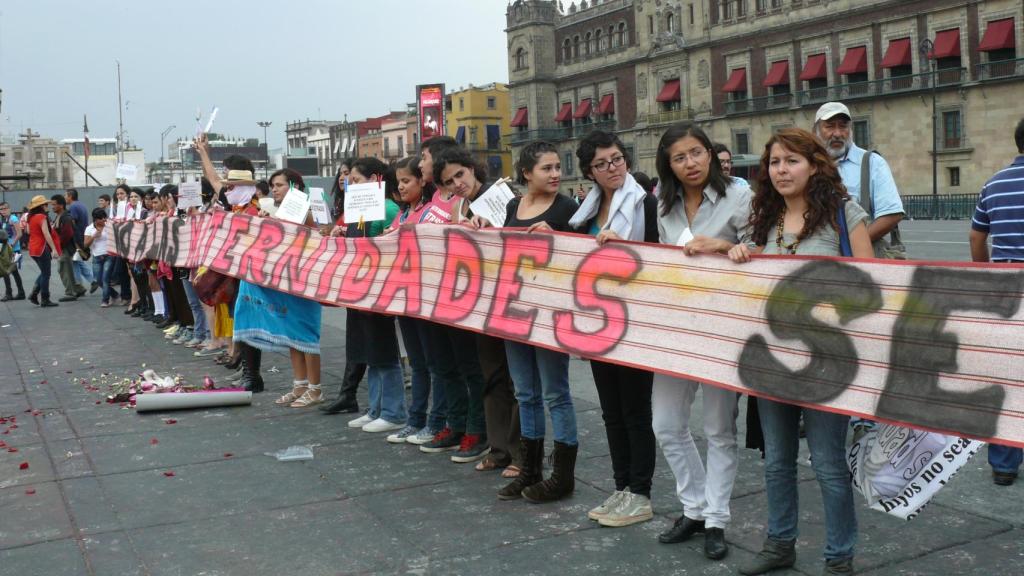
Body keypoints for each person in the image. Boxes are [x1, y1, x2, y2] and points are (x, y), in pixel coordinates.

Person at [729, 128, 871, 576]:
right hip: (773, 360)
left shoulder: (844, 215)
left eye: (791, 161)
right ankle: (780, 543)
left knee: (829, 464)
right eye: (774, 163)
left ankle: (839, 556)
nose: (781, 170)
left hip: (829, 362)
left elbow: (872, 288)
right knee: (776, 461)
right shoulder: (765, 221)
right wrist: (736, 254)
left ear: (814, 165)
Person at [650, 122, 753, 560]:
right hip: (676, 326)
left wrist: (732, 249)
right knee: (667, 424)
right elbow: (658, 256)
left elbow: (760, 250)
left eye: (696, 153)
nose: (690, 163)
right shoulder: (663, 204)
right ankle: (693, 507)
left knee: (718, 429)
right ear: (668, 164)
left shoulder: (740, 195)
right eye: (679, 157)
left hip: (723, 327)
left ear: (710, 154)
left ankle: (716, 518)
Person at [566, 130, 660, 528]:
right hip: (597, 322)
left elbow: (658, 255)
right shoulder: (584, 212)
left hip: (634, 321)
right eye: (602, 164)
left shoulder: (645, 204)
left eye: (617, 159)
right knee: (611, 412)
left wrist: (625, 247)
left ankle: (640, 493)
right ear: (590, 172)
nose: (612, 169)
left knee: (636, 410)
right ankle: (621, 487)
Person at [489, 141, 580, 503]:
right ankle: (529, 468)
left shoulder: (567, 207)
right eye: (547, 168)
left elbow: (580, 256)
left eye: (558, 167)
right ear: (526, 173)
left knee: (556, 393)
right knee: (525, 392)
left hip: (551, 313)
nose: (556, 174)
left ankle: (563, 475)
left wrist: (558, 238)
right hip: (515, 310)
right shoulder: (514, 204)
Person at [431, 147, 524, 467]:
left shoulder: (503, 195)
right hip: (480, 302)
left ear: (473, 169)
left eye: (460, 174)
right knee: (492, 376)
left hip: (510, 299)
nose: (456, 183)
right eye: (448, 181)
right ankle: (498, 449)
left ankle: (519, 454)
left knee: (516, 381)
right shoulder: (460, 208)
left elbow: (518, 240)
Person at [330, 158, 407, 432]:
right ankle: (375, 409)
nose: (351, 185)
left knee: (384, 353)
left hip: (378, 289)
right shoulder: (356, 209)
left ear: (375, 179)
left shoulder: (387, 208)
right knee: (367, 352)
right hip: (358, 288)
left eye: (357, 180)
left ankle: (394, 411)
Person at [235, 169, 323, 401]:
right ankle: (299, 385)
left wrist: (272, 222)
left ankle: (315, 389)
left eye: (280, 185)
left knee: (306, 335)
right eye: (273, 185)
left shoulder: (303, 209)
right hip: (287, 279)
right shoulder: (277, 210)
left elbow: (301, 236)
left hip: (303, 277)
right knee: (292, 334)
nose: (274, 189)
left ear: (294, 187)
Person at [969, 117, 1024, 487]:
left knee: (1006, 377)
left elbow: (977, 237)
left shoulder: (995, 182)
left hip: (1005, 288)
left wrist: (985, 273)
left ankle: (1004, 463)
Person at [379, 155, 449, 444]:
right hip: (405, 296)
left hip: (427, 297)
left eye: (407, 180)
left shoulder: (431, 212)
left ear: (423, 181)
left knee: (435, 364)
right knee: (417, 363)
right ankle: (416, 419)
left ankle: (437, 421)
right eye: (399, 182)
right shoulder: (403, 213)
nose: (402, 187)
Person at [814, 102, 904, 255]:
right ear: (815, 131)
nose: (837, 133)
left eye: (843, 127)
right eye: (829, 126)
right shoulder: (805, 165)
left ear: (850, 130)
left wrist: (848, 247)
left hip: (860, 259)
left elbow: (892, 214)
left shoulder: (872, 162)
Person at [321, 158, 367, 415]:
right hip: (352, 282)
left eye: (350, 174)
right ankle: (348, 393)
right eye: (341, 174)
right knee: (355, 341)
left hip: (365, 283)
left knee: (373, 347)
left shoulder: (376, 208)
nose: (344, 178)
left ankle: (350, 394)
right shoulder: (343, 208)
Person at [25, 195, 60, 308]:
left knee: (44, 272)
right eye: (46, 204)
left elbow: (28, 231)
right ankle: (45, 299)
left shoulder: (30, 217)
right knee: (46, 273)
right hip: (41, 247)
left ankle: (34, 294)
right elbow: (46, 234)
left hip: (33, 248)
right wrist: (54, 248)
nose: (47, 206)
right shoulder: (41, 217)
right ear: (41, 206)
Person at [49, 195, 86, 302]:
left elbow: (67, 233)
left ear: (61, 205)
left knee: (64, 270)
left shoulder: (66, 217)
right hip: (63, 247)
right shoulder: (60, 216)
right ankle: (78, 288)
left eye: (54, 204)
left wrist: (59, 246)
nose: (52, 207)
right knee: (65, 270)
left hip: (65, 248)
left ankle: (71, 293)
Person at [84, 209, 116, 307]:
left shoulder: (109, 226)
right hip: (97, 256)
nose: (103, 220)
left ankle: (105, 300)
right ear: (95, 219)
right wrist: (94, 236)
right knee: (98, 280)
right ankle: (114, 294)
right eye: (101, 218)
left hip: (109, 255)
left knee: (105, 278)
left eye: (104, 217)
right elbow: (85, 245)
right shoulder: (89, 228)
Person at [65, 189, 94, 290]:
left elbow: (72, 222)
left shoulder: (73, 206)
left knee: (76, 259)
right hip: (82, 235)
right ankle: (82, 283)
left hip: (76, 237)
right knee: (76, 260)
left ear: (70, 196)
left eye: (66, 196)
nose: (65, 198)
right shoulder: (81, 205)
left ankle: (83, 283)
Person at [0, 202, 26, 301]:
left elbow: (19, 234)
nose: (3, 211)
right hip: (7, 250)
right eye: (1, 209)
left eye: (4, 208)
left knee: (9, 271)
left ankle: (10, 293)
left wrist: (11, 244)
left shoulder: (13, 218)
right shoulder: (4, 220)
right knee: (11, 271)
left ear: (9, 209)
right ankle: (19, 292)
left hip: (14, 250)